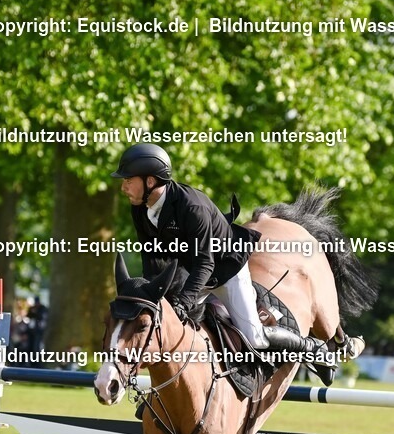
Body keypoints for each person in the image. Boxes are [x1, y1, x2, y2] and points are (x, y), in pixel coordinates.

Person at [111, 143, 361, 378]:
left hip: (225, 270)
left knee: (255, 338)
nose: (123, 187)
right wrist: (151, 294)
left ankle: (312, 347)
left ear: (150, 181)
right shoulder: (140, 207)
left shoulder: (191, 207)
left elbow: (206, 264)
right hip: (193, 272)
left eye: (128, 181)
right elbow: (151, 256)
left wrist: (184, 302)